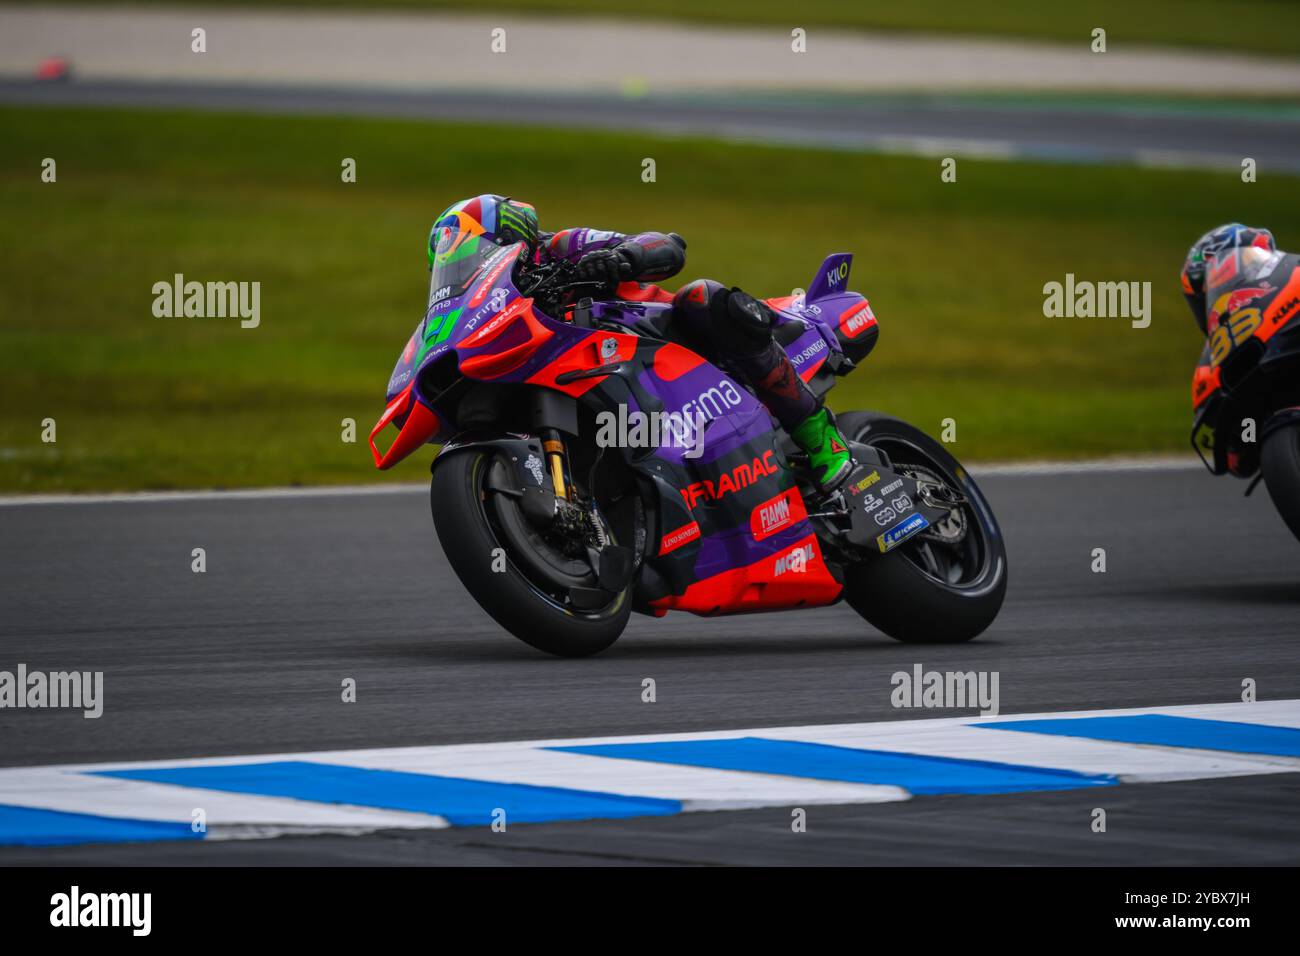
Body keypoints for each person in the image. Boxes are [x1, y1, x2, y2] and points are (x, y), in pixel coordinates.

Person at [429, 194, 853, 490]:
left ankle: (820, 435)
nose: (470, 267)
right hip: (595, 377)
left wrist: (620, 258)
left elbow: (667, 244)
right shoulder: (493, 304)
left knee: (703, 296)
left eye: (475, 254)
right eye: (457, 263)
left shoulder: (561, 247)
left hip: (661, 335)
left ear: (507, 236)